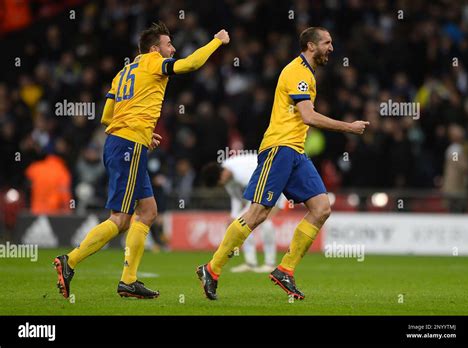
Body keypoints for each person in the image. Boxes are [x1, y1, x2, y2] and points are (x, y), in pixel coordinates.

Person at [54, 21, 230, 300]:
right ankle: (70, 261)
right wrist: (217, 41)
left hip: (123, 142)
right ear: (153, 49)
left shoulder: (123, 72)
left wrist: (141, 132)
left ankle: (128, 281)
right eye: (168, 44)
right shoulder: (152, 62)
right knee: (121, 218)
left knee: (148, 211)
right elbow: (189, 65)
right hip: (128, 145)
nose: (172, 48)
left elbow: (107, 116)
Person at [197, 27, 369, 300]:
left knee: (321, 208)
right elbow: (308, 116)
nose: (332, 48)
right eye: (327, 42)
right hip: (279, 148)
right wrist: (349, 127)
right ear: (311, 46)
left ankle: (285, 269)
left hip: (295, 151)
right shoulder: (297, 72)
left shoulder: (308, 74)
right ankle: (212, 268)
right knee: (257, 213)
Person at [202, 154, 283, 274]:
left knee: (266, 223)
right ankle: (251, 263)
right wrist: (234, 215)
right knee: (243, 223)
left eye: (220, 183)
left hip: (276, 182)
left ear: (222, 176)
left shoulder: (243, 174)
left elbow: (255, 202)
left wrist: (236, 217)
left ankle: (270, 263)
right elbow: (236, 198)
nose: (222, 186)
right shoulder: (227, 174)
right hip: (260, 188)